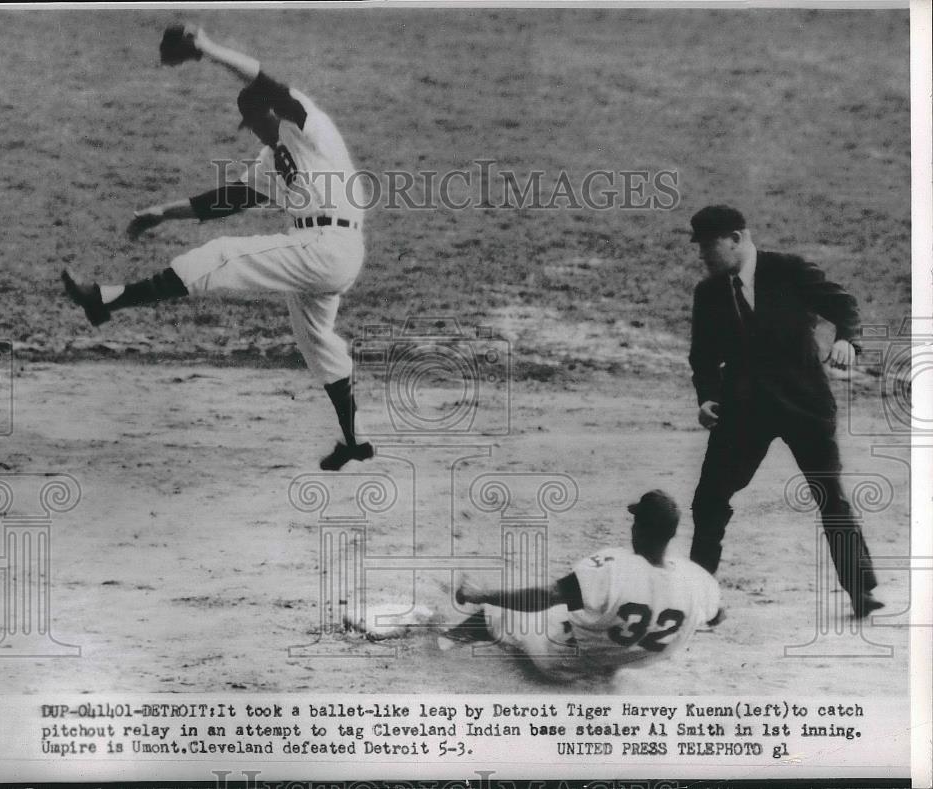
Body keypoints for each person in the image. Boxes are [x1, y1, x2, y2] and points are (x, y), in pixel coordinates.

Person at [62, 24, 372, 471]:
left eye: (257, 122)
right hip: (322, 251)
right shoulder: (271, 160)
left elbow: (264, 80)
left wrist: (205, 48)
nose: (255, 132)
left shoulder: (308, 125)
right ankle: (353, 440)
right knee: (316, 341)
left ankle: (105, 300)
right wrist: (162, 213)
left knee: (222, 255)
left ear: (273, 113)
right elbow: (225, 201)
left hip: (329, 244)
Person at [686, 204, 882, 617]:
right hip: (743, 412)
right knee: (709, 500)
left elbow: (843, 303)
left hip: (804, 404)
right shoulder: (708, 293)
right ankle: (697, 598)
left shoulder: (788, 270)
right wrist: (705, 397)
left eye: (708, 245)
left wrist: (847, 340)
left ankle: (861, 589)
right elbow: (702, 357)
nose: (703, 255)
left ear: (736, 239)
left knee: (830, 496)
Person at [441, 491, 721, 682]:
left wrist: (480, 594)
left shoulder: (614, 567)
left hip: (558, 659)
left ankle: (443, 644)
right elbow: (718, 614)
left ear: (637, 529)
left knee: (494, 611)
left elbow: (545, 596)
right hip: (615, 663)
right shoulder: (696, 579)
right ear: (672, 534)